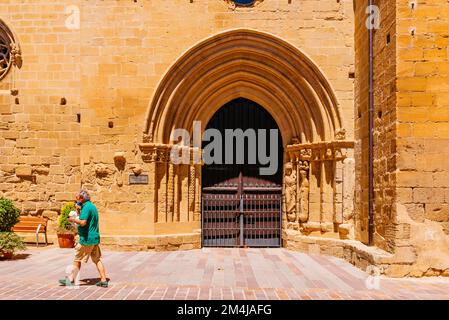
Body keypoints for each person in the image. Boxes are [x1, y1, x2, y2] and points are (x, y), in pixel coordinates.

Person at [59, 190, 108, 287]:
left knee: (77, 259)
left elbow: (83, 222)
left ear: (81, 198)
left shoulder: (86, 207)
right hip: (94, 238)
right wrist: (78, 210)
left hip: (86, 239)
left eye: (77, 198)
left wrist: (72, 219)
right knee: (97, 259)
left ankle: (70, 280)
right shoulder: (92, 206)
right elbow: (86, 219)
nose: (76, 200)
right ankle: (103, 280)